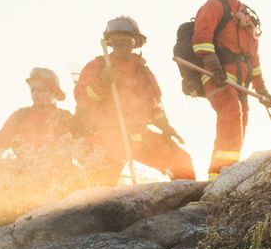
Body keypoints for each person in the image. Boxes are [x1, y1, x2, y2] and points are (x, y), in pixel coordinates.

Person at [75, 16, 195, 183]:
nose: (120, 43)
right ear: (109, 42)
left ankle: (188, 205)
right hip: (109, 136)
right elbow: (82, 98)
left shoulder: (143, 71)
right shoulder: (99, 66)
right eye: (115, 39)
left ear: (135, 42)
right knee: (101, 184)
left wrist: (165, 126)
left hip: (140, 136)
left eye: (125, 39)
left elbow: (154, 106)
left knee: (181, 161)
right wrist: (103, 82)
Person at [192, 0, 271, 179]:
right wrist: (214, 67)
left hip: (240, 84)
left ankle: (227, 172)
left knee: (240, 123)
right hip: (216, 77)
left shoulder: (247, 17)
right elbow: (201, 39)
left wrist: (262, 90)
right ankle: (217, 175)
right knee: (230, 114)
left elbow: (253, 60)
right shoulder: (213, 6)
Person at [0, 68, 75, 162]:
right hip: (25, 176)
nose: (35, 93)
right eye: (32, 89)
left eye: (41, 89)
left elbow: (84, 149)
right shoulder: (20, 117)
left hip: (58, 177)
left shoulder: (66, 118)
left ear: (54, 92)